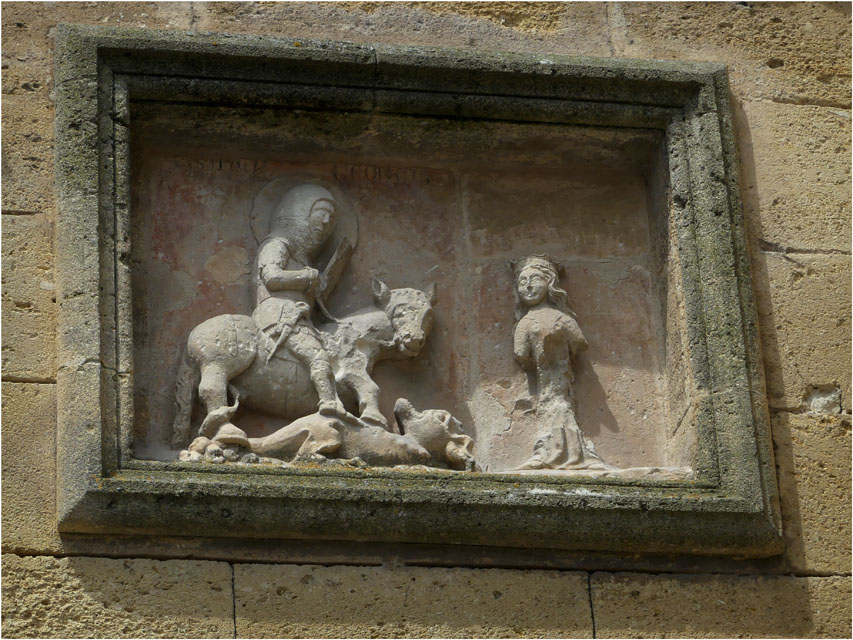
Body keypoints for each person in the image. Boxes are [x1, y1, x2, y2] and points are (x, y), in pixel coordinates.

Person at [251, 184, 346, 419]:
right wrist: (307, 277)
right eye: (321, 212)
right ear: (300, 212)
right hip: (278, 313)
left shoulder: (301, 258)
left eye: (331, 217)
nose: (326, 221)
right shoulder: (276, 244)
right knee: (317, 356)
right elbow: (271, 277)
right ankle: (329, 403)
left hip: (297, 315)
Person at [512, 255, 606, 470]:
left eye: (535, 279)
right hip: (546, 379)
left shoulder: (563, 319)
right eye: (522, 281)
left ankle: (566, 452)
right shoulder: (525, 324)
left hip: (561, 377)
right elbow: (521, 352)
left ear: (550, 282)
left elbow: (579, 342)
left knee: (559, 405)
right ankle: (551, 450)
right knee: (552, 406)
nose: (528, 286)